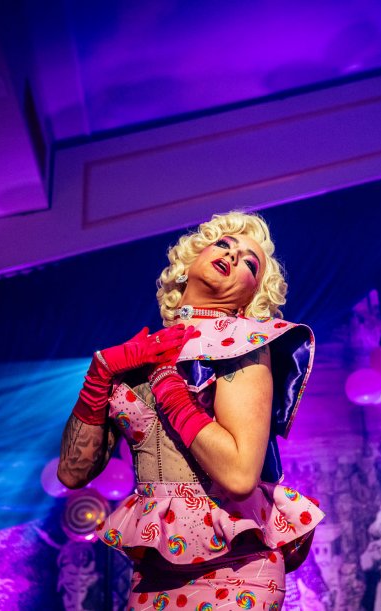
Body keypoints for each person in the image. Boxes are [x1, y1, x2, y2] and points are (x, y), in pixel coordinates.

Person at [57, 211, 324, 609]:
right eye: (224, 245)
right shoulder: (140, 356)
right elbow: (72, 473)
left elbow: (239, 476)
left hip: (236, 567)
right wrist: (99, 376)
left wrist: (170, 388)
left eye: (249, 262)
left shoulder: (245, 344)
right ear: (189, 262)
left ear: (251, 296)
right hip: (153, 573)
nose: (232, 255)